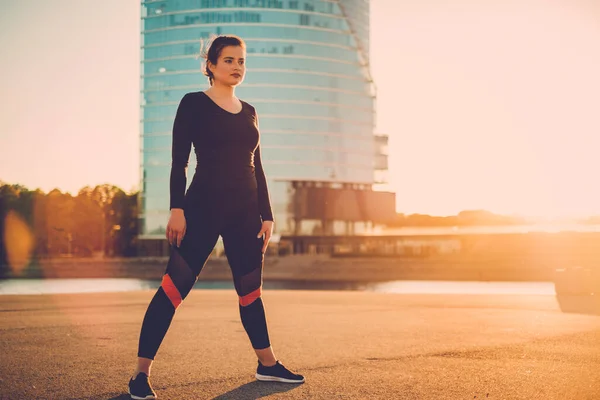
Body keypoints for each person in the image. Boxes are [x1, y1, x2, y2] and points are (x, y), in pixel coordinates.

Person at [128, 35, 305, 400]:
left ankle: (267, 364)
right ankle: (140, 375)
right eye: (228, 60)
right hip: (202, 208)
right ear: (210, 65)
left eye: (241, 61)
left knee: (250, 292)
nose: (236, 67)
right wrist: (177, 209)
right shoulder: (193, 103)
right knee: (173, 288)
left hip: (245, 214)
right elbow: (180, 162)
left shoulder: (251, 110)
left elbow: (258, 167)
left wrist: (266, 215)